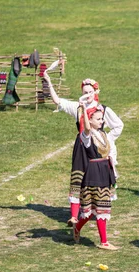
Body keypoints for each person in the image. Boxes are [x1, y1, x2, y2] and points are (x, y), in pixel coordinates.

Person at [43, 72, 124, 227]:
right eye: (85, 92)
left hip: (98, 149)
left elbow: (118, 126)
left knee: (97, 179)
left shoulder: (103, 110)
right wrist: (48, 82)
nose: (87, 95)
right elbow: (57, 100)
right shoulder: (78, 107)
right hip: (81, 147)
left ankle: (96, 208)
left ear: (96, 92)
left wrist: (107, 139)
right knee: (78, 178)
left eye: (90, 92)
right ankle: (74, 216)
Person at [70, 101, 119, 250]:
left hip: (104, 172)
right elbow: (86, 129)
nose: (102, 121)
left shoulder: (103, 134)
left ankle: (78, 228)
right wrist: (84, 110)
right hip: (93, 174)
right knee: (93, 211)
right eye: (98, 119)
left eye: (102, 118)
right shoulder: (87, 136)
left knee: (99, 209)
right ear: (90, 120)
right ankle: (103, 242)